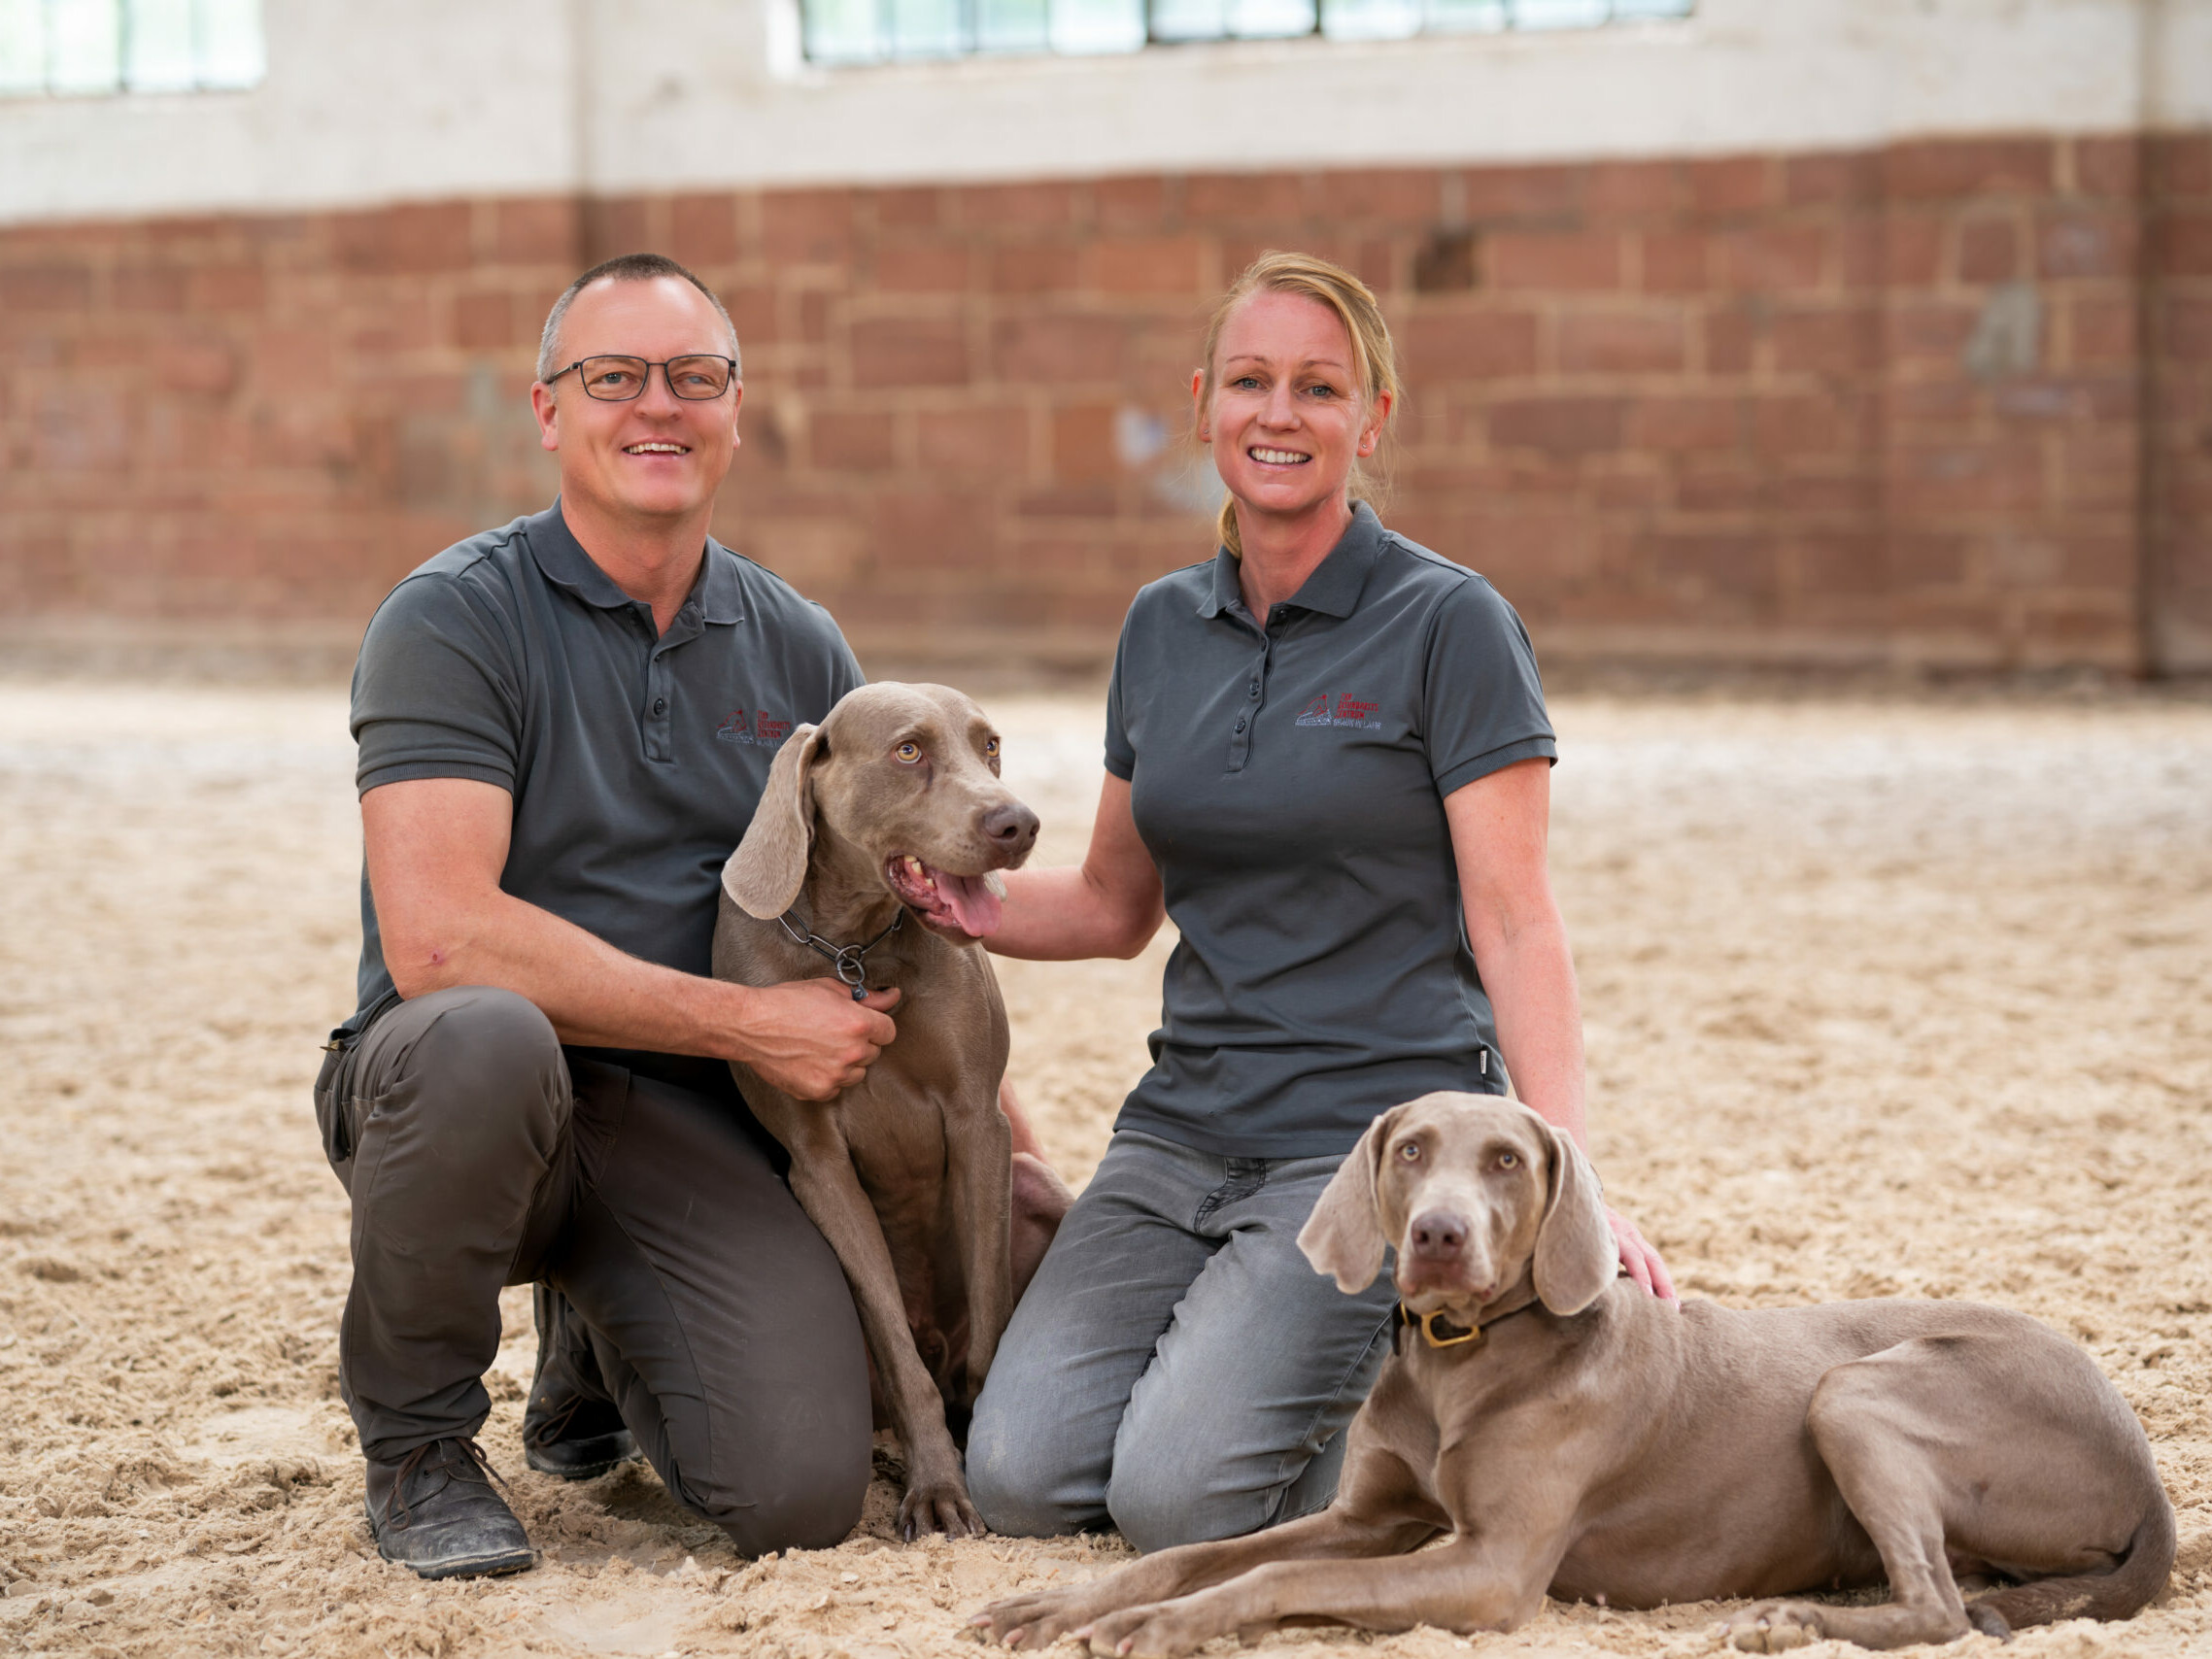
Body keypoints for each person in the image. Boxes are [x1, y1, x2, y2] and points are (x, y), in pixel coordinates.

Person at [317, 252, 1054, 1578]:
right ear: (550, 410)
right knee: (483, 1036)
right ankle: (419, 1443)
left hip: (694, 1118)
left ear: (733, 408)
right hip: (460, 1099)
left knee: (798, 1494)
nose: (658, 404)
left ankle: (594, 1345)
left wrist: (999, 1135)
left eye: (693, 376)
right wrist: (742, 1022)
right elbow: (435, 939)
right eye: (614, 376)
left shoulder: (800, 650)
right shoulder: (453, 619)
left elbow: (900, 918)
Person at [965, 251, 1675, 1553]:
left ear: (1371, 417)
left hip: (1358, 1148)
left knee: (1172, 1504)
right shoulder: (1159, 628)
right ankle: (1254, 1346)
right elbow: (1116, 905)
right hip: (1175, 1132)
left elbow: (1516, 921)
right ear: (1203, 403)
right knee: (1015, 1481)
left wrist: (1569, 1182)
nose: (1276, 414)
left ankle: (1382, 1386)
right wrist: (944, 905)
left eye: (1315, 387)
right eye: (1248, 381)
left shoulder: (1449, 624)